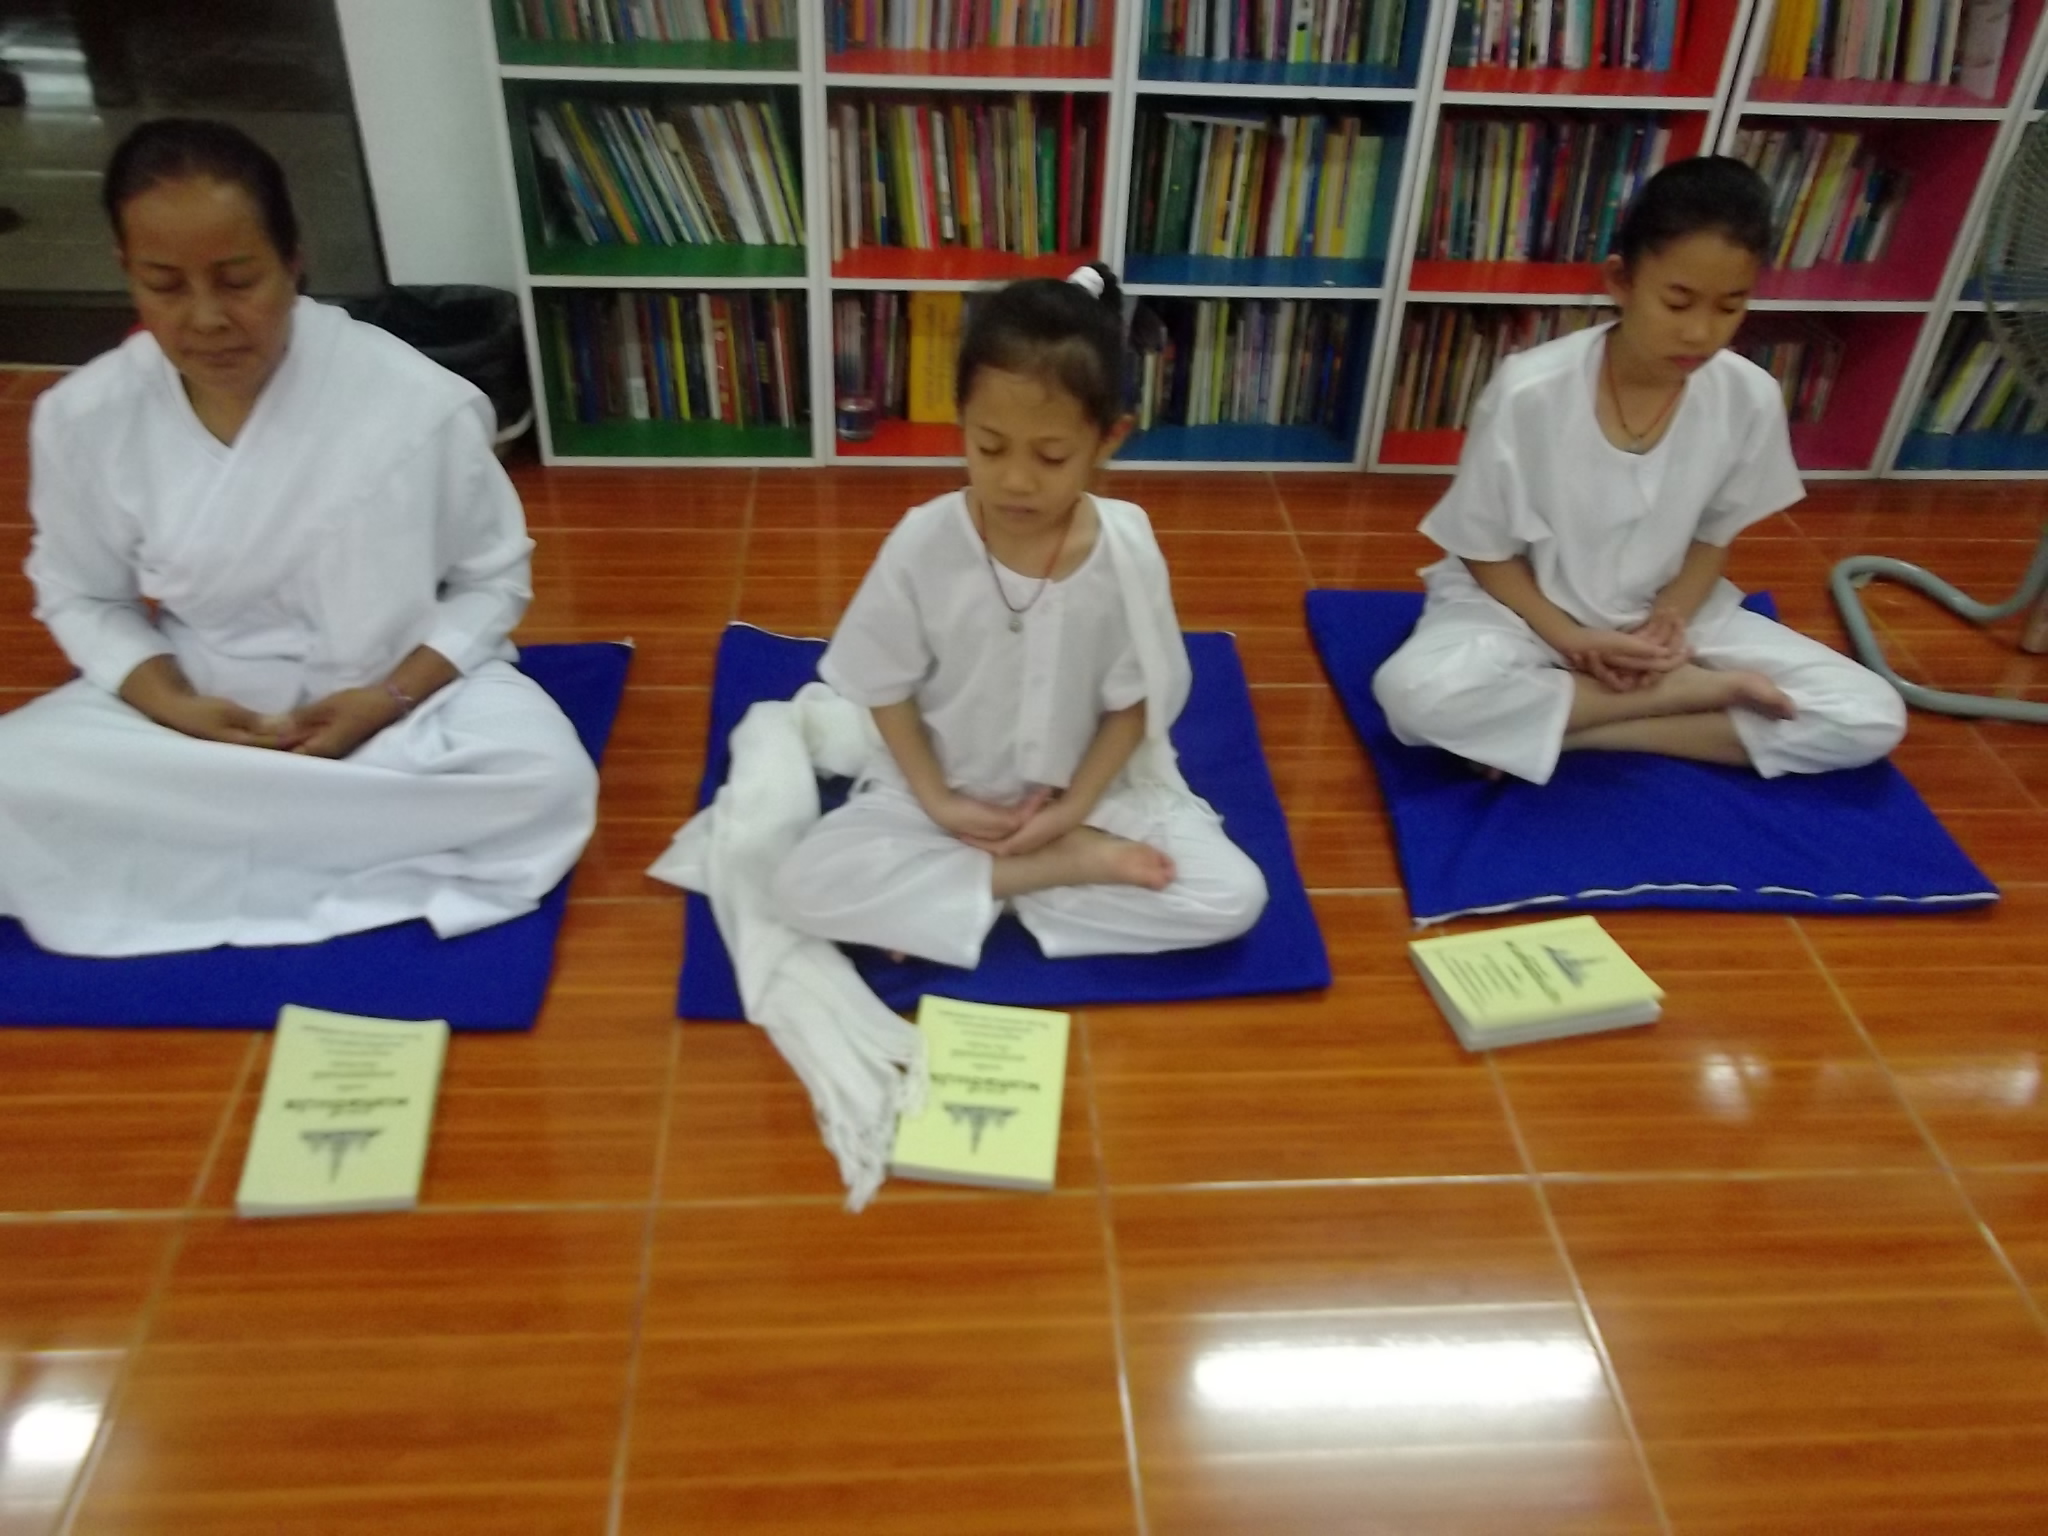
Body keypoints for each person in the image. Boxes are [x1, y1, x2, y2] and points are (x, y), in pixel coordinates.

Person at [0, 118, 597, 956]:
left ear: (293, 261)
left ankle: (213, 845)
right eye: (165, 285)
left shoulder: (411, 401)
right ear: (126, 273)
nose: (207, 318)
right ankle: (314, 834)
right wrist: (172, 704)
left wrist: (385, 700)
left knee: (542, 780)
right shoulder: (85, 417)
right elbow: (84, 596)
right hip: (206, 702)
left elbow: (490, 583)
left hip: (398, 698)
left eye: (238, 279)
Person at [770, 265, 1268, 969]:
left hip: (1087, 798)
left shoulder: (1125, 549)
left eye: (1052, 456)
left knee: (1233, 897)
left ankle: (945, 897)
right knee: (801, 887)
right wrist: (941, 803)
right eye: (990, 446)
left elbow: (1133, 706)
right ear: (961, 422)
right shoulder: (924, 540)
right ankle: (1044, 874)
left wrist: (1070, 813)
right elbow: (883, 683)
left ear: (1108, 440)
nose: (1015, 480)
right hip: (942, 794)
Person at [1372, 156, 1907, 784]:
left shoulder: (1750, 396)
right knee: (1414, 694)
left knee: (1870, 716)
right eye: (1677, 303)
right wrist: (1571, 639)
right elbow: (1482, 549)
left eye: (1730, 306)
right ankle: (1686, 697)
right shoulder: (1531, 390)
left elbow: (1713, 538)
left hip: (1662, 616)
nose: (1701, 332)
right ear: (1621, 281)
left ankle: (1574, 732)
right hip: (1526, 615)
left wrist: (1664, 629)